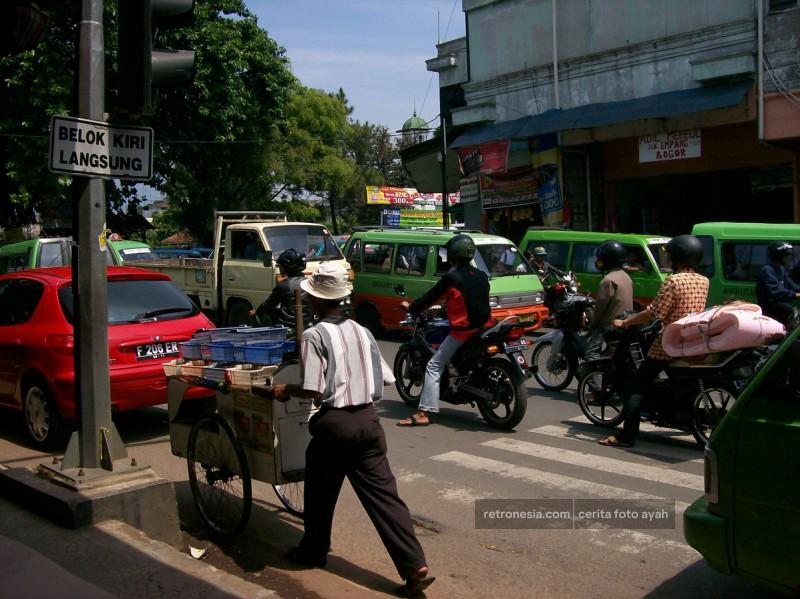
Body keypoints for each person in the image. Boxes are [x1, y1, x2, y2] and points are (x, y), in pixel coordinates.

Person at [268, 263, 435, 596]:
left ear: (315, 301)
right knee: (385, 498)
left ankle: (313, 551)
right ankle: (415, 564)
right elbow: (385, 378)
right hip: (370, 423)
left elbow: (314, 389)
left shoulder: (314, 336)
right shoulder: (363, 331)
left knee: (319, 489)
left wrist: (287, 390)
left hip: (335, 425)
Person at [599, 235, 709, 448]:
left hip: (670, 341)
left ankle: (627, 436)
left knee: (636, 386)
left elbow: (655, 313)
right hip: (692, 340)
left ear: (678, 256)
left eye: (669, 256)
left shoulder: (673, 281)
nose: (666, 260)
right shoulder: (703, 280)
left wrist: (627, 322)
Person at [397, 233, 493, 427]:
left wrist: (413, 308)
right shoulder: (482, 275)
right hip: (485, 327)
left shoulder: (452, 277)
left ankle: (424, 413)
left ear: (452, 255)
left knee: (433, 366)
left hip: (464, 330)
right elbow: (471, 300)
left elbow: (430, 297)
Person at [586, 240, 633, 357]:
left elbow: (600, 308)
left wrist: (593, 323)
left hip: (610, 325)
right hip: (626, 320)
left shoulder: (608, 280)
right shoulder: (626, 276)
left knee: (590, 353)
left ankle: (590, 371)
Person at [251, 249, 311, 329]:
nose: (279, 269)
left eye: (280, 266)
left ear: (287, 267)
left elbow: (268, 305)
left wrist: (256, 312)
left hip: (287, 327)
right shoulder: (310, 283)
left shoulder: (284, 285)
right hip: (308, 324)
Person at [756, 241, 800, 326]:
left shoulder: (781, 269)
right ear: (778, 256)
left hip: (779, 306)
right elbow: (776, 293)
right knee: (790, 312)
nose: (788, 258)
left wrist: (797, 292)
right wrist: (796, 295)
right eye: (786, 255)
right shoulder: (767, 270)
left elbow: (792, 286)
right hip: (769, 308)